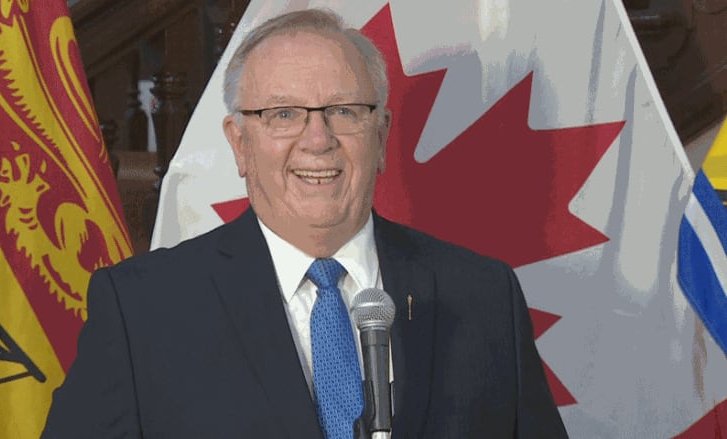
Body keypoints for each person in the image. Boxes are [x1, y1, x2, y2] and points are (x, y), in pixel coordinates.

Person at [41, 8, 567, 439]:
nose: (318, 140)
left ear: (380, 136)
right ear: (239, 143)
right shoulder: (142, 311)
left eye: (344, 111)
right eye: (284, 114)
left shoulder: (482, 296)